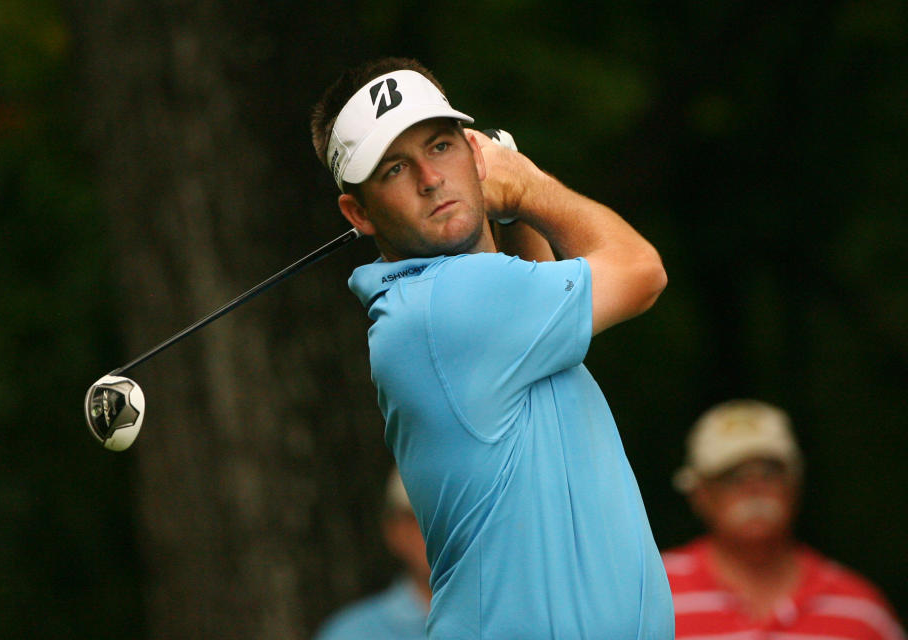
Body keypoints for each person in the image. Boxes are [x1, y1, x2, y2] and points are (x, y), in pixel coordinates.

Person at [310, 57, 673, 638]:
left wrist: (517, 213)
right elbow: (641, 271)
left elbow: (551, 335)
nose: (430, 179)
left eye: (441, 146)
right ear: (358, 212)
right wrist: (525, 185)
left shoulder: (473, 312)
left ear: (473, 153)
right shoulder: (442, 307)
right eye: (394, 168)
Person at [664, 399, 905, 639]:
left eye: (770, 472)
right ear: (700, 494)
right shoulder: (654, 595)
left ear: (795, 484)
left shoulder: (861, 610)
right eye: (732, 476)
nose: (754, 487)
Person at [314, 467, 429, 640]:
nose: (435, 533)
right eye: (419, 518)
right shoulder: (350, 635)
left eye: (455, 518)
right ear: (394, 531)